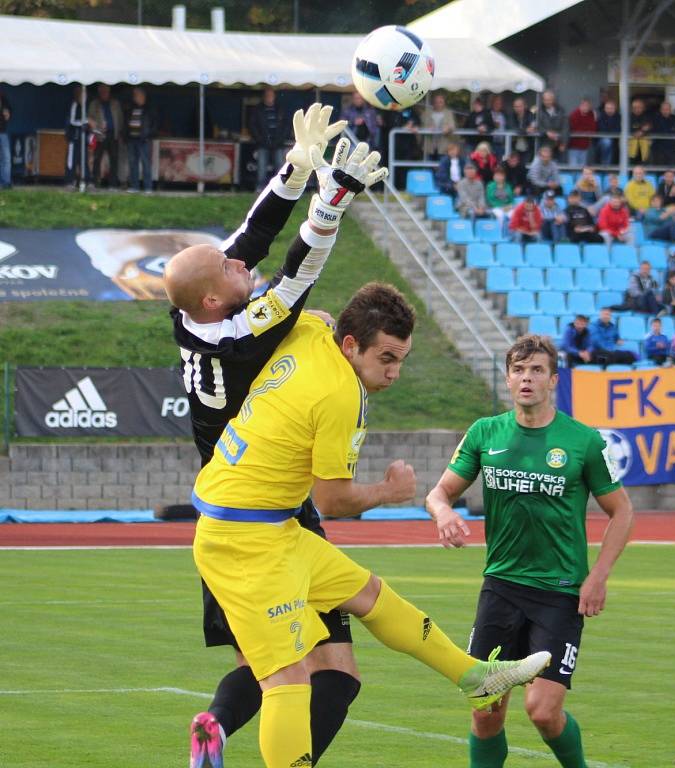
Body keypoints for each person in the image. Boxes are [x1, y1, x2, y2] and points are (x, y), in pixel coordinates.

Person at [189, 278, 552, 768]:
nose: (395, 372)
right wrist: (389, 492)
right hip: (244, 541)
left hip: (269, 526)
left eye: (402, 359)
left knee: (370, 596)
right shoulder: (342, 396)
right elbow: (332, 499)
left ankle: (475, 678)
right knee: (287, 678)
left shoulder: (314, 330)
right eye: (386, 359)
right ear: (351, 345)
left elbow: (313, 311)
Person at [166, 106, 382, 768]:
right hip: (269, 518)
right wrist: (332, 198)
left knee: (270, 670)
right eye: (230, 273)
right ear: (215, 300)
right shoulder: (235, 332)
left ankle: (215, 724)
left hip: (222, 519)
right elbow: (295, 272)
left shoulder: (202, 313)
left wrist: (294, 165)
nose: (240, 267)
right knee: (333, 675)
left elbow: (251, 236)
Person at [425, 333, 634, 768]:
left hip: (559, 593)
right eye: (518, 370)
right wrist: (443, 512)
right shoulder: (485, 433)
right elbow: (439, 493)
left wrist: (598, 576)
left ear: (553, 379)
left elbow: (622, 511)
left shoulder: (583, 441)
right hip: (500, 588)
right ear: (507, 378)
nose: (526, 379)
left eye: (536, 370)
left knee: (542, 711)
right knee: (486, 711)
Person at [249, 87, 288, 190]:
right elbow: (252, 125)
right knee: (261, 167)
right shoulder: (258, 109)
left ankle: (280, 189)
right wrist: (259, 139)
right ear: (264, 97)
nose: (269, 98)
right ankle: (260, 188)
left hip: (278, 143)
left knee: (280, 167)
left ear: (274, 97)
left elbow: (286, 126)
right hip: (263, 143)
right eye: (267, 96)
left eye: (271, 95)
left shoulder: (280, 109)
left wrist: (281, 139)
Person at [88, 83, 123, 188]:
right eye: (102, 91)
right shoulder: (94, 104)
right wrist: (97, 127)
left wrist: (120, 132)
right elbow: (90, 119)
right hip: (100, 134)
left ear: (109, 91)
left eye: (106, 91)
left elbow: (120, 118)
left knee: (114, 159)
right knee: (97, 159)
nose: (104, 93)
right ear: (99, 92)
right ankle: (95, 182)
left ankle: (113, 184)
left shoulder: (115, 103)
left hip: (113, 134)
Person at [124, 87, 157, 193]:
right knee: (133, 163)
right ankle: (135, 186)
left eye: (136, 95)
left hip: (143, 140)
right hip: (132, 139)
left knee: (145, 163)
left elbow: (154, 124)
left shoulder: (149, 108)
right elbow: (126, 122)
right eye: (134, 95)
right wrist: (125, 135)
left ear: (142, 96)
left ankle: (148, 187)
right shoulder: (131, 108)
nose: (134, 97)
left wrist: (148, 135)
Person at [65, 86, 90, 188]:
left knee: (84, 159)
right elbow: (72, 121)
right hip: (73, 138)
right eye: (82, 95)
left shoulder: (86, 106)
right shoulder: (74, 105)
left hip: (83, 138)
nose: (84, 97)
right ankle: (70, 180)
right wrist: (86, 122)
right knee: (72, 160)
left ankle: (86, 180)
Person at [533, 89, 568, 158]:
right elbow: (537, 126)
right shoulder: (538, 111)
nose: (547, 102)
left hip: (559, 143)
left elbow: (566, 127)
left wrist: (563, 143)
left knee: (560, 166)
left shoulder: (561, 111)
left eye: (549, 100)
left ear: (553, 100)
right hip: (544, 144)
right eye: (545, 100)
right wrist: (546, 132)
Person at [422, 92, 457, 160]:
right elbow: (421, 126)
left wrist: (448, 128)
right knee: (428, 168)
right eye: (436, 102)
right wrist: (427, 128)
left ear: (444, 103)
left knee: (442, 168)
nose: (438, 104)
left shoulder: (448, 113)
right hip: (429, 146)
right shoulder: (427, 112)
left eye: (440, 102)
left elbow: (453, 126)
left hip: (444, 146)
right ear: (433, 103)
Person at [567, 97, 596, 168]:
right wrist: (585, 131)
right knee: (573, 167)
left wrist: (595, 118)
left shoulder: (591, 114)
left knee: (582, 168)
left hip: (585, 146)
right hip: (574, 146)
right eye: (584, 106)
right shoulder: (574, 114)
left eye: (588, 106)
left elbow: (593, 130)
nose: (586, 108)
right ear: (580, 106)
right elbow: (573, 129)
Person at [486, 165, 515, 233]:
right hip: (495, 207)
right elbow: (490, 199)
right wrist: (501, 207)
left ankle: (512, 233)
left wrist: (511, 205)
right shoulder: (490, 186)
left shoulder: (508, 186)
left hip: (507, 207)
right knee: (500, 215)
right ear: (494, 176)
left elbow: (511, 199)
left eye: (501, 175)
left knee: (513, 215)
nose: (498, 177)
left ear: (504, 177)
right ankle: (500, 233)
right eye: (497, 175)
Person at [651, 101, 675, 166]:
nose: (665, 111)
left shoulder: (674, 118)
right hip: (658, 149)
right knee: (659, 168)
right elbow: (656, 131)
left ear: (670, 110)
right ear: (660, 110)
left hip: (671, 149)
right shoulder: (656, 118)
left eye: (667, 109)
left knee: (670, 169)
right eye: (664, 109)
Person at [507, 97, 533, 163]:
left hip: (527, 146)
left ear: (525, 106)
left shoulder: (530, 115)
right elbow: (512, 127)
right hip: (514, 147)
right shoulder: (511, 115)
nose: (518, 108)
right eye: (515, 106)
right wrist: (525, 130)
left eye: (520, 106)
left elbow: (533, 127)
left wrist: (527, 129)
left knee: (526, 166)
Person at [595, 99, 620, 165]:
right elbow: (602, 129)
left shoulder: (619, 117)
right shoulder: (601, 117)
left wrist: (611, 132)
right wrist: (611, 132)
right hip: (600, 142)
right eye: (607, 108)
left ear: (615, 109)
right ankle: (605, 167)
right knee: (607, 142)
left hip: (615, 142)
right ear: (604, 109)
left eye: (611, 108)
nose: (609, 110)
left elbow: (618, 129)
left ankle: (607, 169)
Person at [628, 98, 652, 164]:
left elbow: (648, 127)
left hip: (644, 148)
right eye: (635, 107)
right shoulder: (628, 117)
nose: (637, 109)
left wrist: (641, 132)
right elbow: (627, 128)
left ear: (643, 108)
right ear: (632, 108)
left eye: (639, 107)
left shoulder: (648, 116)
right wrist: (638, 131)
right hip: (631, 147)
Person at [0, 88, 10, 189]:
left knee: (6, 159)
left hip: (2, 132)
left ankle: (6, 182)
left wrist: (7, 114)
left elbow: (8, 115)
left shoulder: (4, 101)